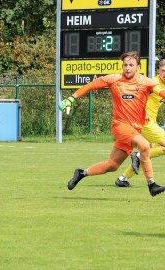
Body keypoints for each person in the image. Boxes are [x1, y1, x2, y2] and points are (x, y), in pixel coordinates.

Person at [59, 51, 165, 196]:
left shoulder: (146, 82)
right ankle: (151, 184)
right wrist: (72, 98)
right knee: (145, 145)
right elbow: (91, 85)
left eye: (131, 65)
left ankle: (81, 173)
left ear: (138, 67)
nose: (127, 68)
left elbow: (161, 91)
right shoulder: (114, 79)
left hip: (135, 130)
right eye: (125, 65)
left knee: (112, 166)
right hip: (120, 126)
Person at [115, 59, 165, 187]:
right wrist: (142, 111)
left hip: (150, 122)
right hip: (144, 121)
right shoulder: (152, 83)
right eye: (163, 71)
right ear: (158, 70)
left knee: (148, 152)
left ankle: (123, 178)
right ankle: (137, 156)